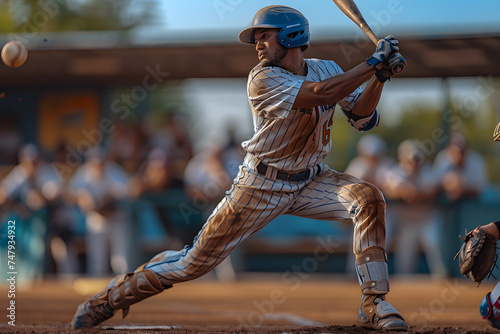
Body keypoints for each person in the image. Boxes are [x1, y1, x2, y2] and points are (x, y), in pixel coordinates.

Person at [72, 5, 407, 330]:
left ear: (292, 35)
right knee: (193, 263)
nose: (258, 44)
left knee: (368, 197)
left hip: (312, 178)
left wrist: (379, 76)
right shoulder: (262, 78)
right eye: (256, 38)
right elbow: (321, 94)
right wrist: (373, 62)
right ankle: (111, 298)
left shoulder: (329, 68)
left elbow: (363, 118)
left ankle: (375, 302)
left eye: (265, 36)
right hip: (261, 184)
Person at [384, 139, 447, 278]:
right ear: (402, 158)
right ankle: (407, 297)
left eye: (417, 158)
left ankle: (442, 280)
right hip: (406, 224)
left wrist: (415, 193)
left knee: (434, 244)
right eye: (411, 158)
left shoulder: (428, 172)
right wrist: (412, 192)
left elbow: (429, 192)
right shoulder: (396, 172)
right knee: (404, 265)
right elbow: (399, 191)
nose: (414, 162)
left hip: (426, 220)